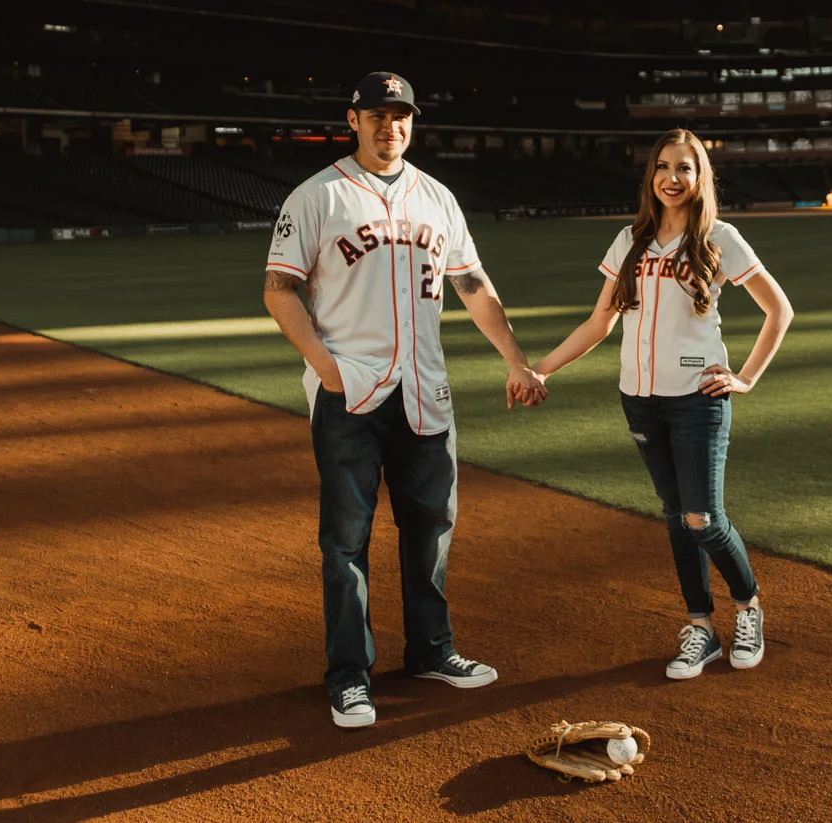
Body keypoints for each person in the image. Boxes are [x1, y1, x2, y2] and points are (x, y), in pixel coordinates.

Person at [264, 71, 549, 729]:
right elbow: (279, 287)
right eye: (377, 114)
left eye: (401, 115)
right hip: (351, 394)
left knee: (431, 527)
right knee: (346, 539)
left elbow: (473, 283)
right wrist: (326, 368)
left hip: (424, 388)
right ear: (354, 119)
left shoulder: (438, 198)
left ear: (412, 122)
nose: (389, 126)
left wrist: (514, 360)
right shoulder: (318, 195)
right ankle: (349, 676)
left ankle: (431, 650)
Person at [530, 128, 793, 678]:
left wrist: (745, 378)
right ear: (651, 175)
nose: (673, 178)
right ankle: (701, 627)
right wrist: (540, 369)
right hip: (640, 400)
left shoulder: (721, 237)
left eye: (685, 168)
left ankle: (748, 605)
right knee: (677, 518)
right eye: (664, 167)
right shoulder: (630, 240)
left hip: (697, 399)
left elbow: (779, 311)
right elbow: (600, 322)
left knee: (703, 518)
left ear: (701, 179)